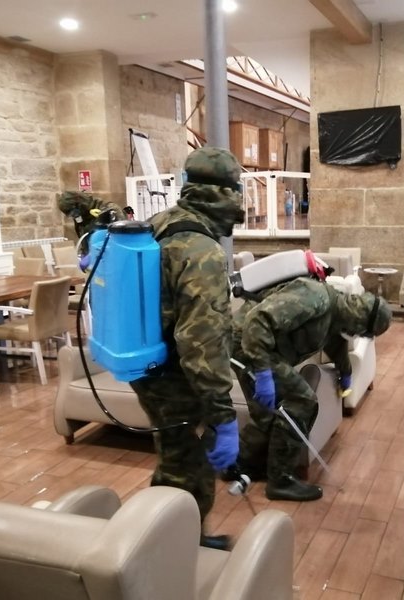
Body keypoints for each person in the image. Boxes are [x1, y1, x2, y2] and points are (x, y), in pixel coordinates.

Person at [128, 147, 246, 550]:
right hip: (173, 376)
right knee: (185, 467)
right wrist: (222, 415)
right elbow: (201, 342)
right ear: (226, 193)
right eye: (237, 190)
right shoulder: (202, 251)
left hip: (148, 365)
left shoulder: (161, 222)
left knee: (176, 456)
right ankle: (172, 550)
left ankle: (180, 539)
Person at [231, 277, 393, 501]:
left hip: (263, 348)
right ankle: (280, 481)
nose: (358, 335)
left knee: (267, 415)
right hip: (249, 344)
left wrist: (345, 372)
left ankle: (239, 465)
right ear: (361, 320)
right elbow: (257, 322)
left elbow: (334, 341)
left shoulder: (337, 314)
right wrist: (263, 373)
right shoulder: (315, 298)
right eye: (363, 332)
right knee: (302, 401)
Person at [57, 191, 126, 253]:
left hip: (110, 254)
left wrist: (102, 216)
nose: (73, 216)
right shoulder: (80, 217)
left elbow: (122, 233)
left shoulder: (108, 208)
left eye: (73, 212)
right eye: (70, 214)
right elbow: (83, 239)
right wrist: (85, 254)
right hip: (92, 256)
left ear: (79, 204)